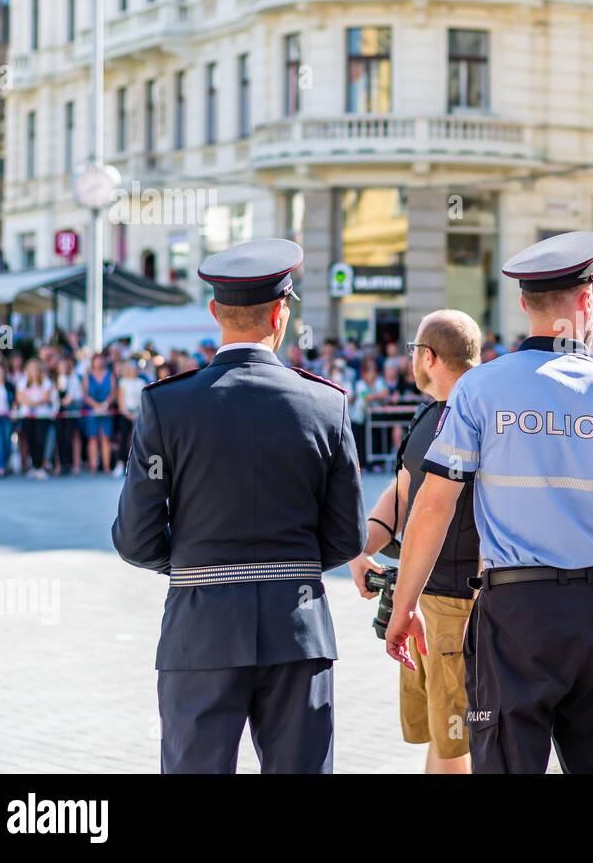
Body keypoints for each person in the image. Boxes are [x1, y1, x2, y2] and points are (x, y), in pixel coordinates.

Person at [383, 232, 593, 774]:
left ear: (524, 303)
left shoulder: (481, 389)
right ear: (590, 302)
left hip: (516, 614)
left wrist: (404, 606)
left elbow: (433, 507)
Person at [112, 238, 365, 774]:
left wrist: (191, 562)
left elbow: (135, 537)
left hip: (200, 627)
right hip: (297, 627)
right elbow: (347, 537)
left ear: (214, 312)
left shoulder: (167, 404)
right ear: (281, 312)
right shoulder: (325, 404)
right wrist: (286, 567)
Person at [351, 310, 483, 774]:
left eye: (414, 350)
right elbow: (404, 493)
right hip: (424, 599)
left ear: (428, 356)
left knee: (458, 739)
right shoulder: (429, 411)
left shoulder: (483, 412)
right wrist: (361, 546)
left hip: (458, 603)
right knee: (442, 735)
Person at [17, 358, 58, 480]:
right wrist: (33, 403)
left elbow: (46, 397)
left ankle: (40, 466)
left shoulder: (46, 382)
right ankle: (34, 466)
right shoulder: (23, 381)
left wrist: (33, 403)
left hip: (41, 416)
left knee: (40, 440)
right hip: (27, 416)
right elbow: (20, 397)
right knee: (30, 440)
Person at [82, 354, 116, 475]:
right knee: (92, 437)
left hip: (106, 409)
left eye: (101, 360)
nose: (99, 362)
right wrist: (95, 405)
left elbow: (113, 392)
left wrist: (106, 404)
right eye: (97, 360)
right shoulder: (88, 375)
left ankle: (106, 467)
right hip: (91, 409)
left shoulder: (109, 374)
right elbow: (85, 395)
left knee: (105, 437)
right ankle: (93, 466)